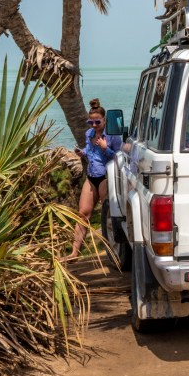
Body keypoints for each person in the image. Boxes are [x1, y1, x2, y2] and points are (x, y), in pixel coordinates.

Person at [67, 98, 122, 261]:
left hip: (106, 177)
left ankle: (112, 252)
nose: (94, 125)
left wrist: (106, 148)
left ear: (104, 120)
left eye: (97, 122)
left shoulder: (113, 136)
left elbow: (119, 157)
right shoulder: (89, 133)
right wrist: (82, 153)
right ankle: (74, 253)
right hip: (91, 177)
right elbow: (89, 151)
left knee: (108, 217)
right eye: (90, 122)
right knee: (83, 214)